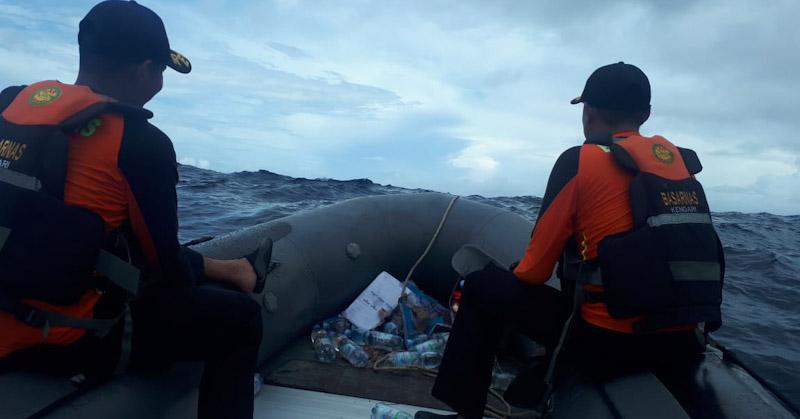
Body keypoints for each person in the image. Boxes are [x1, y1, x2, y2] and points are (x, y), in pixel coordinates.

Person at [0, 2, 271, 418]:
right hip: (65, 342)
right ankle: (237, 273)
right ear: (144, 70)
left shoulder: (10, 104)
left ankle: (233, 269)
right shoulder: (143, 143)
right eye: (161, 71)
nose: (160, 82)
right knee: (241, 321)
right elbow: (165, 271)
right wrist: (211, 271)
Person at [417, 62, 724, 419]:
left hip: (611, 346)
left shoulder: (578, 162)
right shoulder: (679, 166)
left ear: (589, 112)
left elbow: (533, 271)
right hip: (682, 345)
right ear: (645, 114)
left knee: (483, 287)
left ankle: (465, 412)